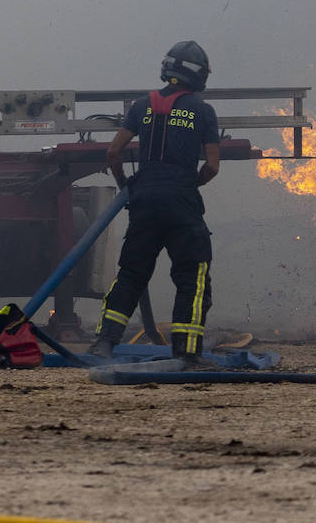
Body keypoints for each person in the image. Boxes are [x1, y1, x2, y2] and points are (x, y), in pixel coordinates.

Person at [88, 41, 221, 365]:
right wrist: (191, 183)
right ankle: (187, 352)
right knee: (192, 274)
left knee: (132, 273)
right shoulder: (203, 111)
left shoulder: (140, 105)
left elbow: (112, 153)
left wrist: (126, 187)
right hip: (181, 202)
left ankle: (104, 344)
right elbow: (213, 166)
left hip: (144, 200)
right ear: (200, 76)